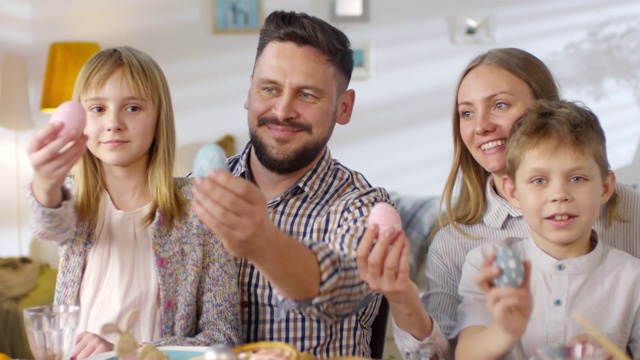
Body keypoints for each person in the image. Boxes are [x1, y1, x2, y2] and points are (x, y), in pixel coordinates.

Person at [358, 47, 640, 358]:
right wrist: (403, 299)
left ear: (544, 111)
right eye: (467, 113)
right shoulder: (464, 247)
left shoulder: (630, 217)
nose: (481, 127)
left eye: (500, 105)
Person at [190, 10, 391, 359]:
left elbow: (343, 290)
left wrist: (262, 241)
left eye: (307, 95)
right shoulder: (195, 191)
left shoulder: (365, 207)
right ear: (249, 92)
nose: (282, 111)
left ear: (344, 107)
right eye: (269, 89)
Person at [26, 46, 240, 359]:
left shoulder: (199, 207)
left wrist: (129, 352)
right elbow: (49, 223)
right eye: (98, 109)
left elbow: (224, 335)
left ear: (158, 119)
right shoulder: (74, 201)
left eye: (133, 108)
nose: (114, 123)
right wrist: (45, 183)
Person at [455, 99, 640, 359]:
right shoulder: (489, 264)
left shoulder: (633, 280)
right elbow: (465, 354)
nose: (559, 194)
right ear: (513, 192)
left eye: (577, 178)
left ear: (605, 187)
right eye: (539, 180)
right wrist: (506, 330)